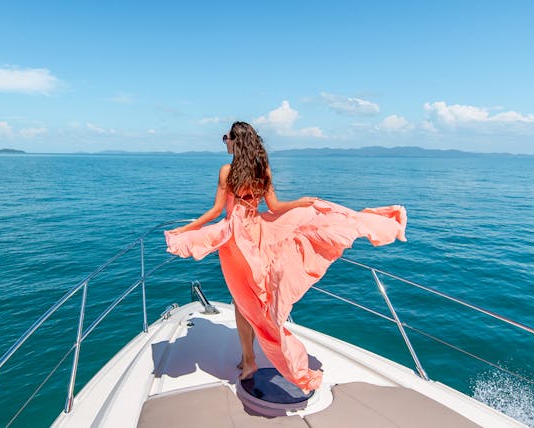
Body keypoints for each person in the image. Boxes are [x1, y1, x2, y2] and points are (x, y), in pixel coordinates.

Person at [165, 121, 406, 393]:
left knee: (242, 299)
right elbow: (276, 207)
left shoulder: (226, 171)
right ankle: (249, 358)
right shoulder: (262, 170)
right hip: (258, 234)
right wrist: (300, 203)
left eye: (226, 138)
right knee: (252, 297)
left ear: (236, 141)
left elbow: (217, 211)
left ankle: (249, 360)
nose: (225, 142)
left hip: (235, 241)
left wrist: (186, 229)